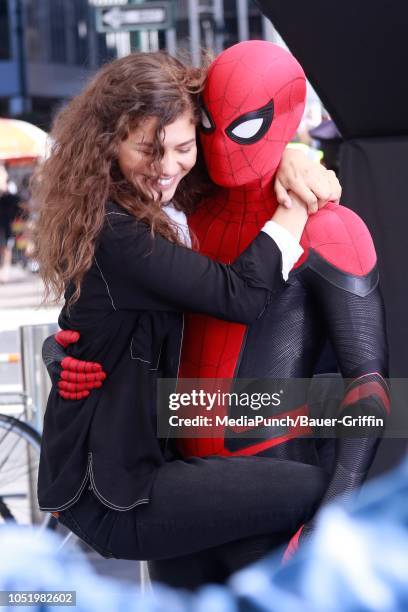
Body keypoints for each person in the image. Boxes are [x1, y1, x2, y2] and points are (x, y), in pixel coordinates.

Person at [49, 42, 389, 588]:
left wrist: (334, 515)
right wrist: (64, 352)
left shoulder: (322, 227)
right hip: (163, 479)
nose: (171, 164)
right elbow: (228, 297)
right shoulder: (167, 218)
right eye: (207, 127)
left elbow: (371, 388)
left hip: (260, 483)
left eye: (185, 144)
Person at [0, 165, 21, 282]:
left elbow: (20, 205)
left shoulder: (9, 196)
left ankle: (5, 272)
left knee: (6, 249)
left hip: (5, 226)